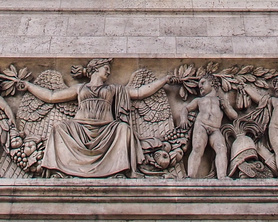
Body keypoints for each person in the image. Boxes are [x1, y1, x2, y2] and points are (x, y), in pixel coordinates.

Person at [19, 58, 173, 177]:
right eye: (106, 68)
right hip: (80, 128)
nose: (108, 72)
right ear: (95, 69)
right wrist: (28, 86)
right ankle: (58, 171)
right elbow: (52, 96)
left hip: (106, 128)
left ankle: (117, 171)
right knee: (59, 129)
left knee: (123, 129)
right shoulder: (79, 88)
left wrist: (164, 80)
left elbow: (140, 92)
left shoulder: (113, 89)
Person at [180, 73, 237, 178]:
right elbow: (185, 109)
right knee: (197, 148)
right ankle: (190, 176)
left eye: (202, 83)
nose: (200, 86)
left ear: (212, 83)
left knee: (221, 149)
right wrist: (183, 119)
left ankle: (222, 177)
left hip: (215, 128)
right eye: (198, 85)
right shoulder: (199, 100)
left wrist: (226, 108)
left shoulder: (221, 100)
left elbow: (234, 116)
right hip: (201, 125)